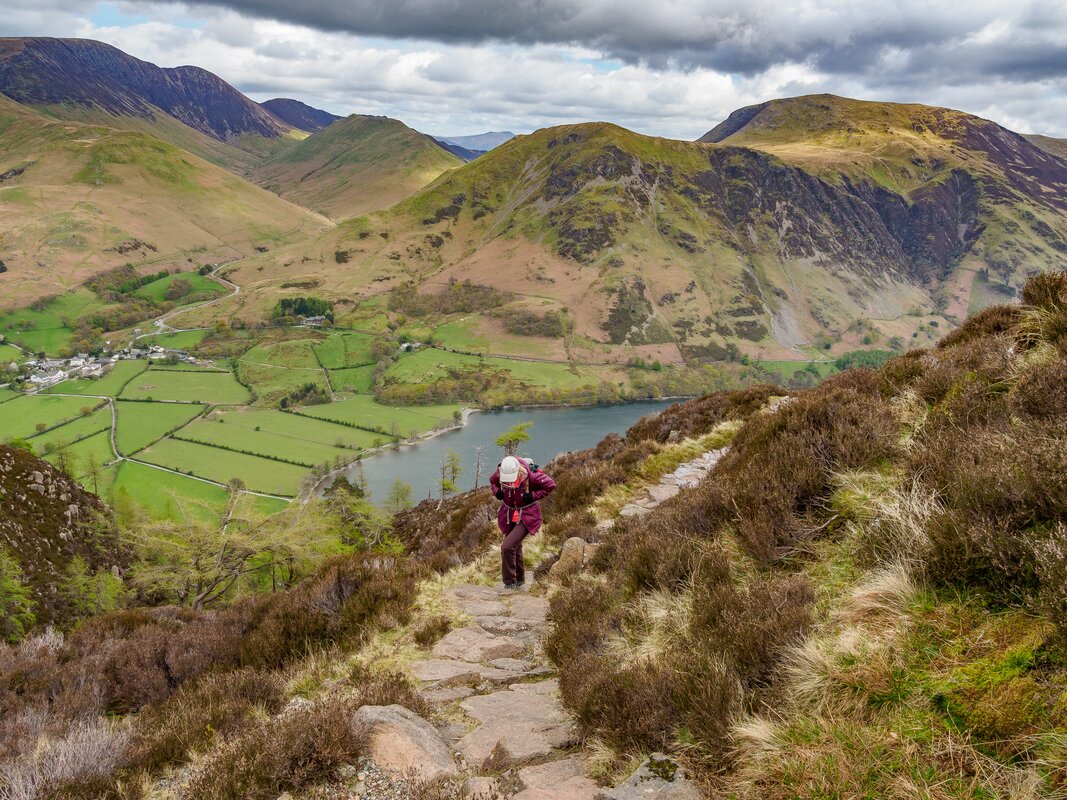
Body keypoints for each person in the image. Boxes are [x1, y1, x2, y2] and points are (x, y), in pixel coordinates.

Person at [489, 454, 556, 589]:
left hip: (527, 515)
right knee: (515, 546)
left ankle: (509, 582)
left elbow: (550, 485)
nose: (508, 484)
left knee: (507, 546)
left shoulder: (531, 476)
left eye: (511, 480)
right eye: (506, 481)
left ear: (518, 472)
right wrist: (497, 492)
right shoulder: (500, 472)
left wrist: (532, 496)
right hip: (509, 514)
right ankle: (519, 579)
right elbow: (492, 482)